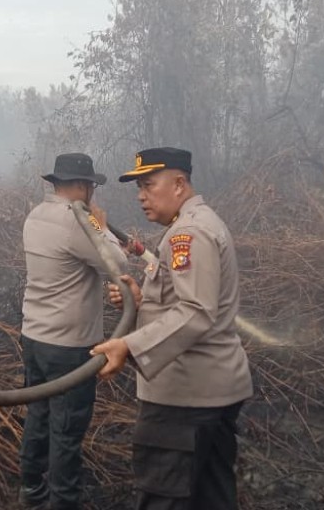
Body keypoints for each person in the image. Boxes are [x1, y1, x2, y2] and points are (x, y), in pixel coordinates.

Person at [92, 148, 253, 510]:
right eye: (139, 187)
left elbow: (195, 311)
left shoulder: (190, 233)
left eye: (149, 185)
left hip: (184, 401)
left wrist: (129, 346)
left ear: (179, 184)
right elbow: (183, 304)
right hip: (211, 393)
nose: (141, 195)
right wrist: (141, 300)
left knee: (164, 499)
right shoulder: (194, 224)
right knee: (210, 497)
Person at [19, 153, 128, 510]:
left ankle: (31, 493)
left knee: (39, 416)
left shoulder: (35, 215)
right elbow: (119, 263)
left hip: (34, 339)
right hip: (69, 348)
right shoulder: (76, 222)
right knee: (66, 432)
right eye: (91, 186)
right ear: (83, 186)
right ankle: (63, 503)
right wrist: (99, 226)